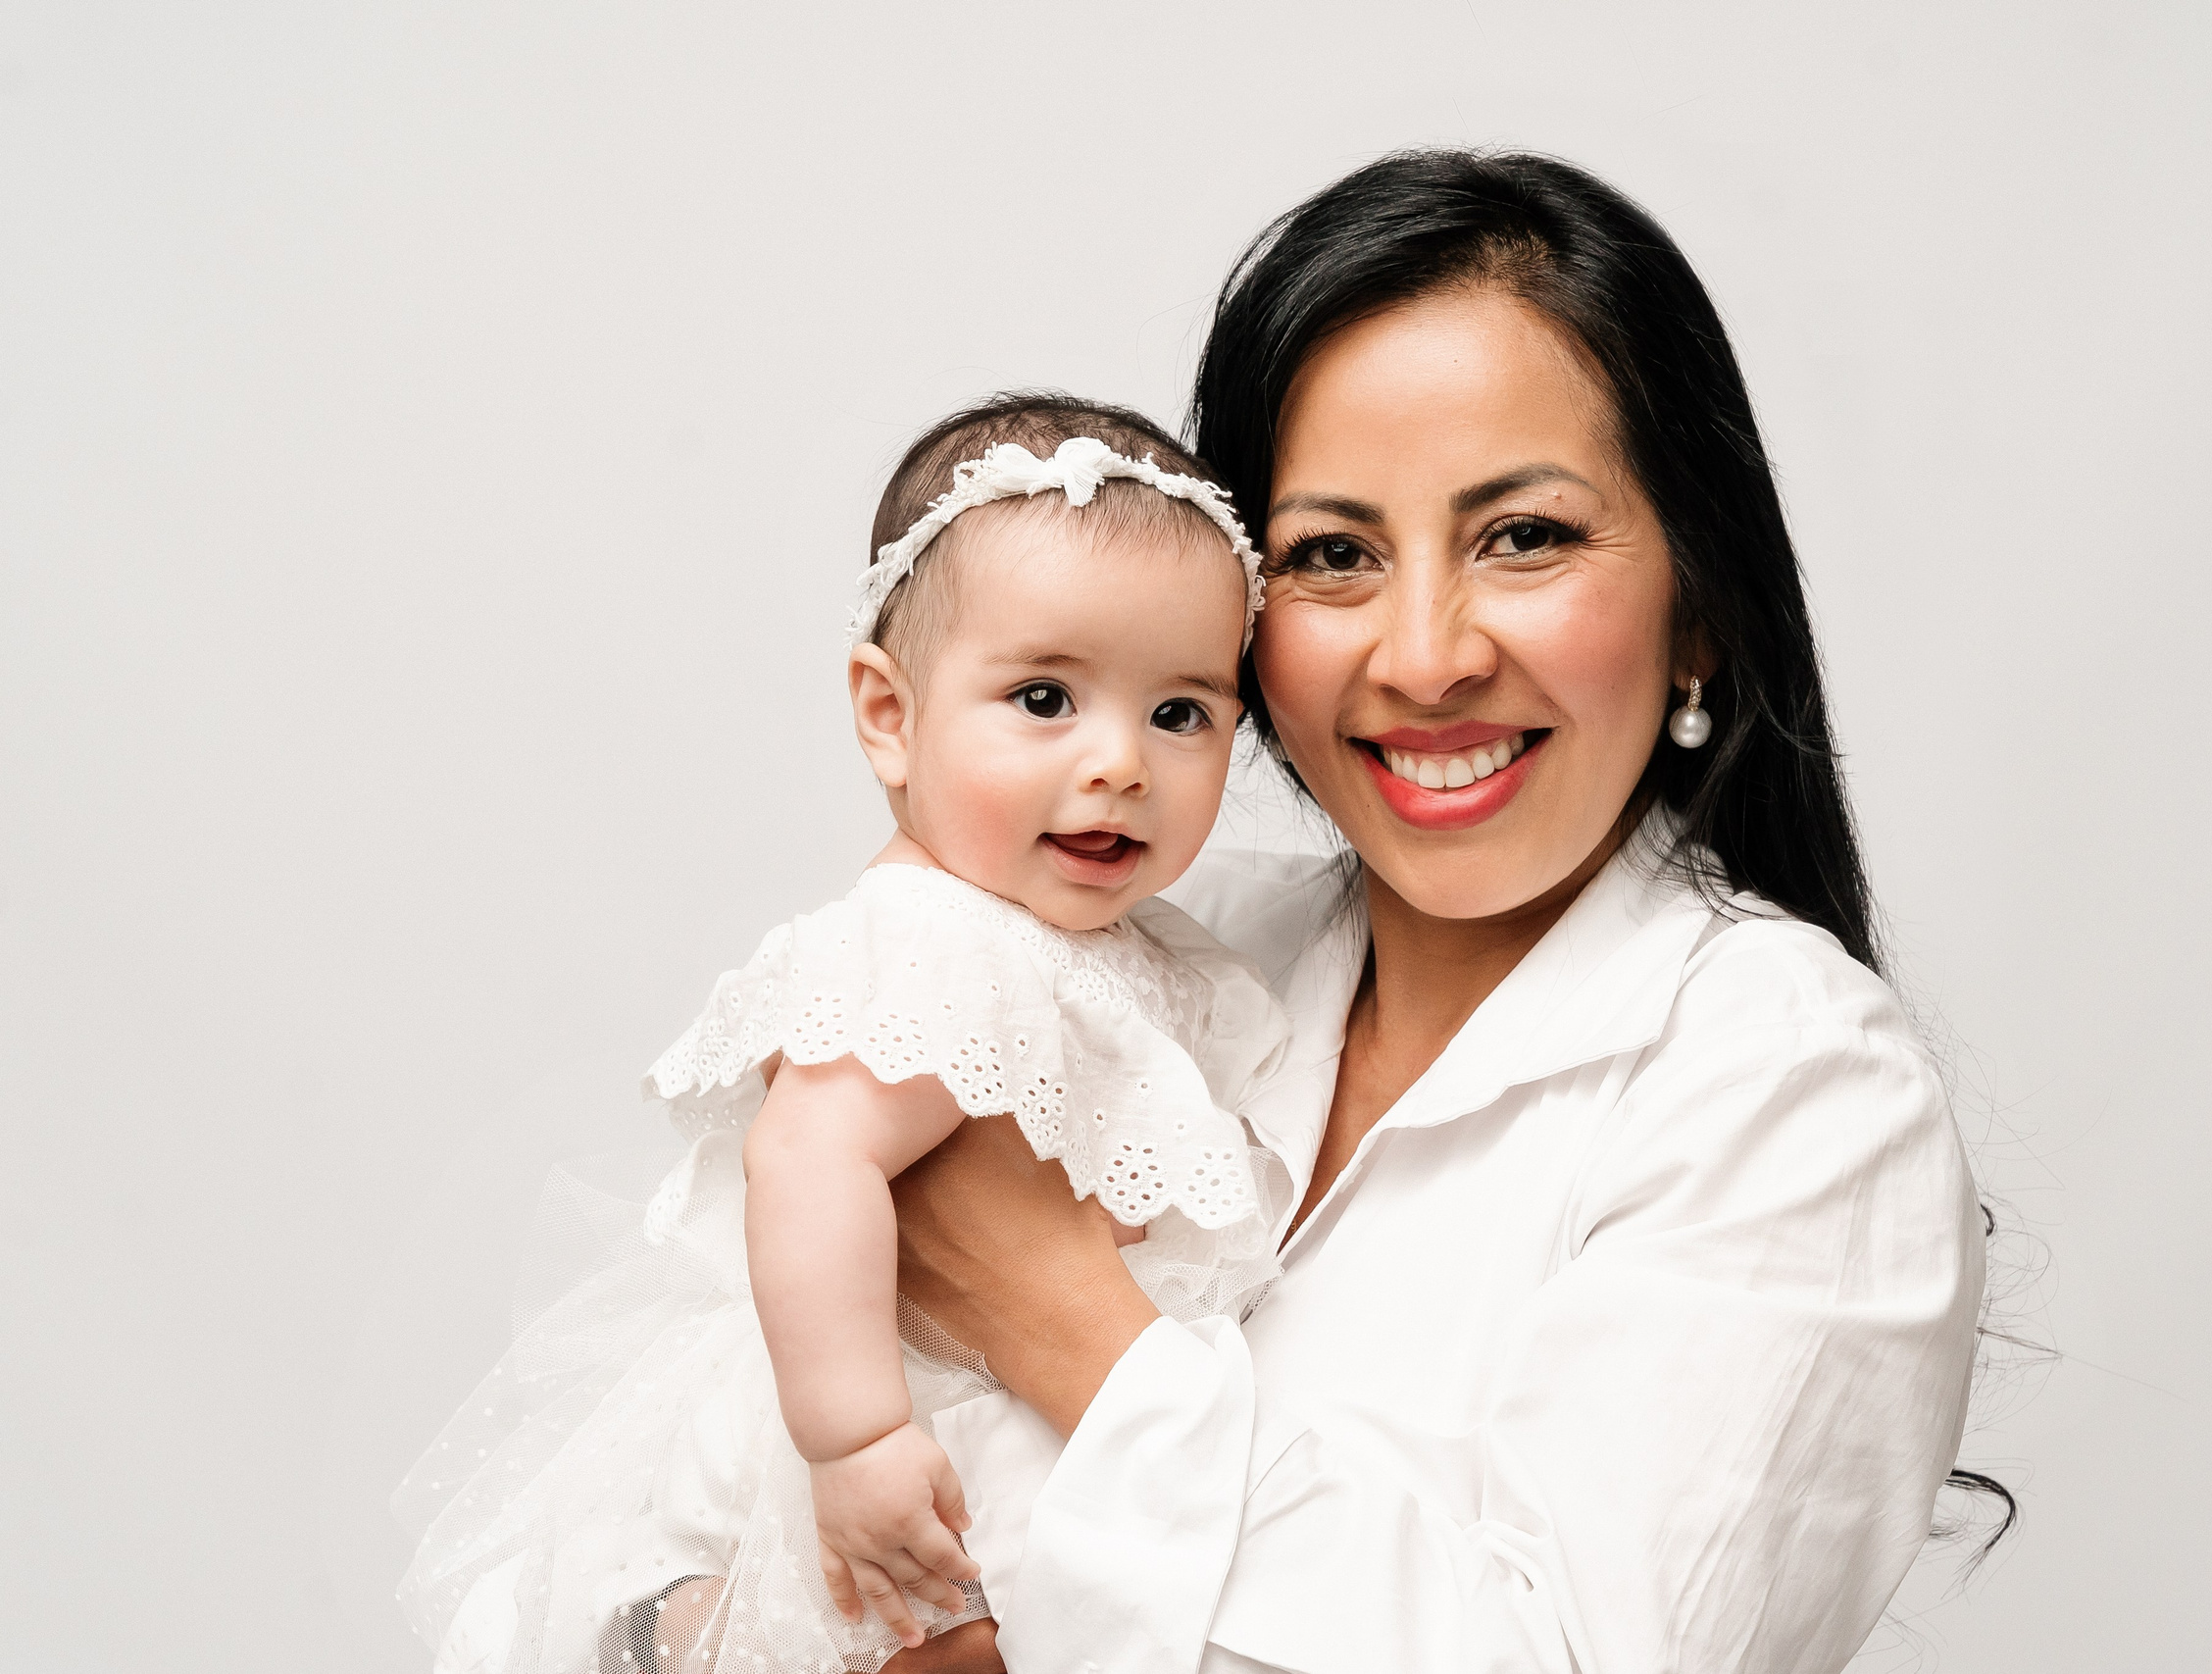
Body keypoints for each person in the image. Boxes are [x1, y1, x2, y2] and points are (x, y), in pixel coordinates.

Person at [881, 150, 1993, 1674]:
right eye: (1333, 555)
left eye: (1524, 536)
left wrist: (1056, 1315)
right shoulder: (1136, 965)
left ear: (1700, 608)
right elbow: (712, 1486)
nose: (1423, 656)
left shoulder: (1798, 1092)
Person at [395, 396, 1296, 1673]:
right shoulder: (925, 941)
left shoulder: (1139, 955)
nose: (1121, 762)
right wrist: (856, 1438)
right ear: (889, 714)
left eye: (1181, 713)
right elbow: (810, 1161)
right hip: (890, 1424)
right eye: (1045, 697)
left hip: (1041, 1422)